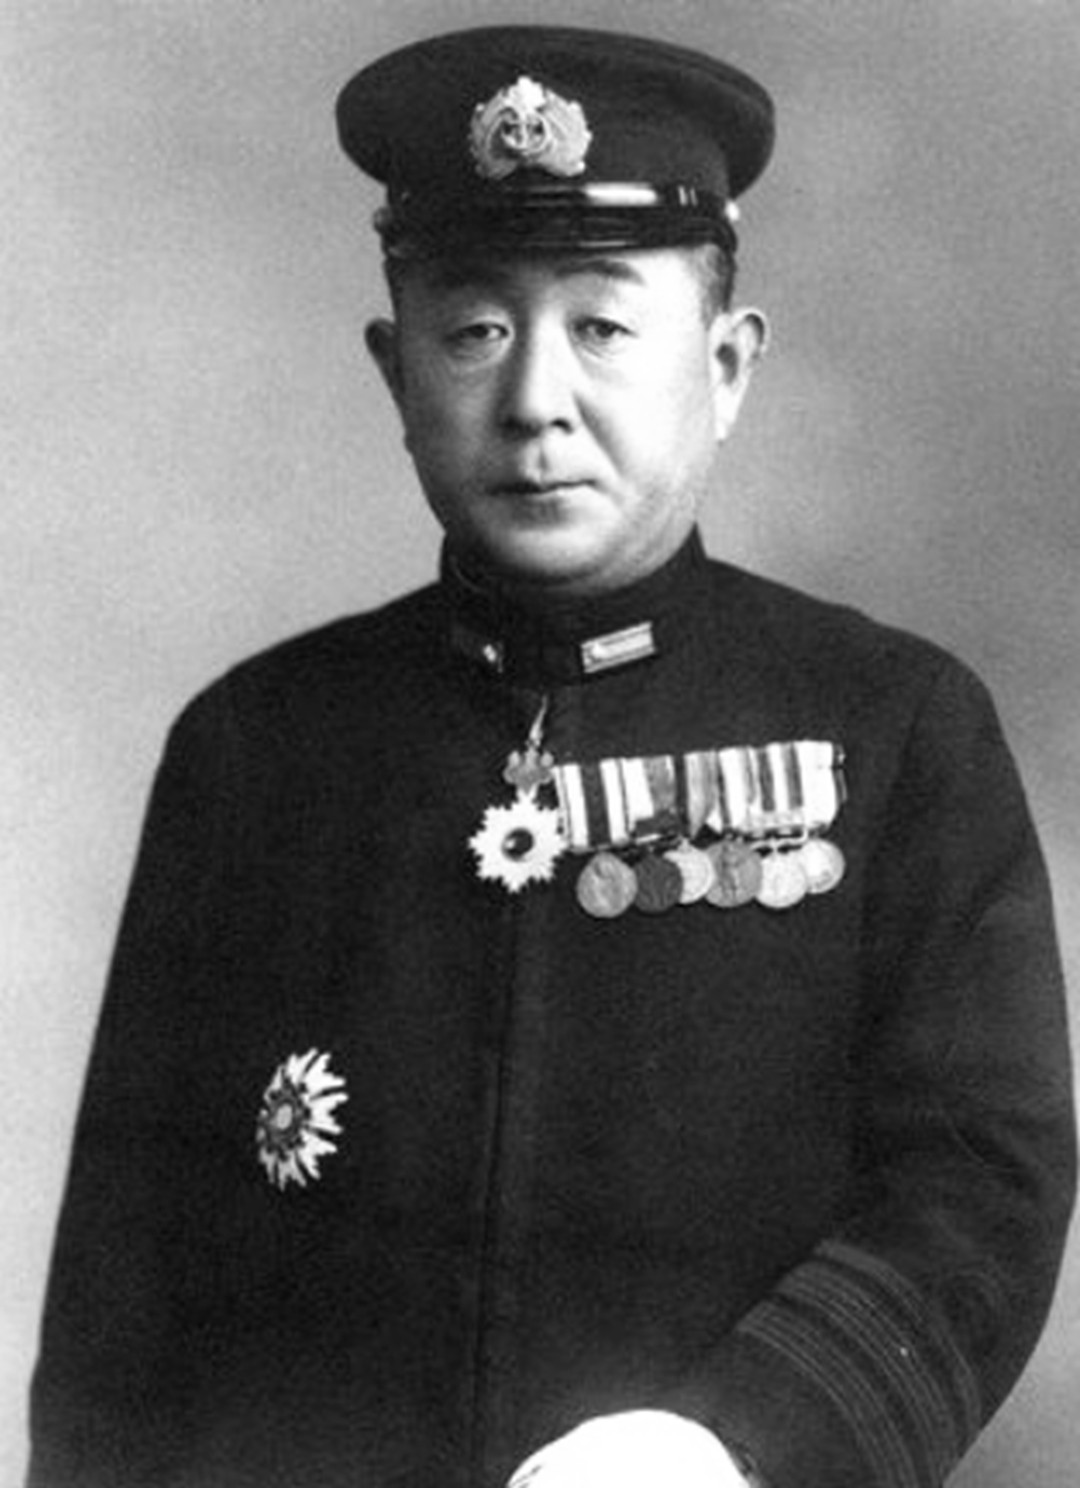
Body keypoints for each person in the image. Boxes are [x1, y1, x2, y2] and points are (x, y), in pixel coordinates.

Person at [28, 24, 1075, 1488]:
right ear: (396, 372)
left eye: (602, 328)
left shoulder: (896, 729)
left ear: (726, 365)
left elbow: (982, 1186)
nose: (533, 399)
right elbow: (122, 1306)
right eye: (473, 330)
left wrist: (731, 1443)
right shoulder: (254, 750)